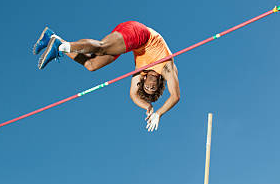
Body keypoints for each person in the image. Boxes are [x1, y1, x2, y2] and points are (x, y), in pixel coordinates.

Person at [32, 21, 180, 132]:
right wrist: (159, 113)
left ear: (143, 81)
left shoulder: (141, 71)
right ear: (159, 85)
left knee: (92, 65)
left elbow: (133, 95)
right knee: (101, 47)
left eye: (146, 88)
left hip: (130, 43)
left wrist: (148, 107)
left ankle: (53, 38)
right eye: (151, 89)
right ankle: (59, 47)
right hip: (139, 33)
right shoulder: (166, 68)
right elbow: (175, 96)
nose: (149, 86)